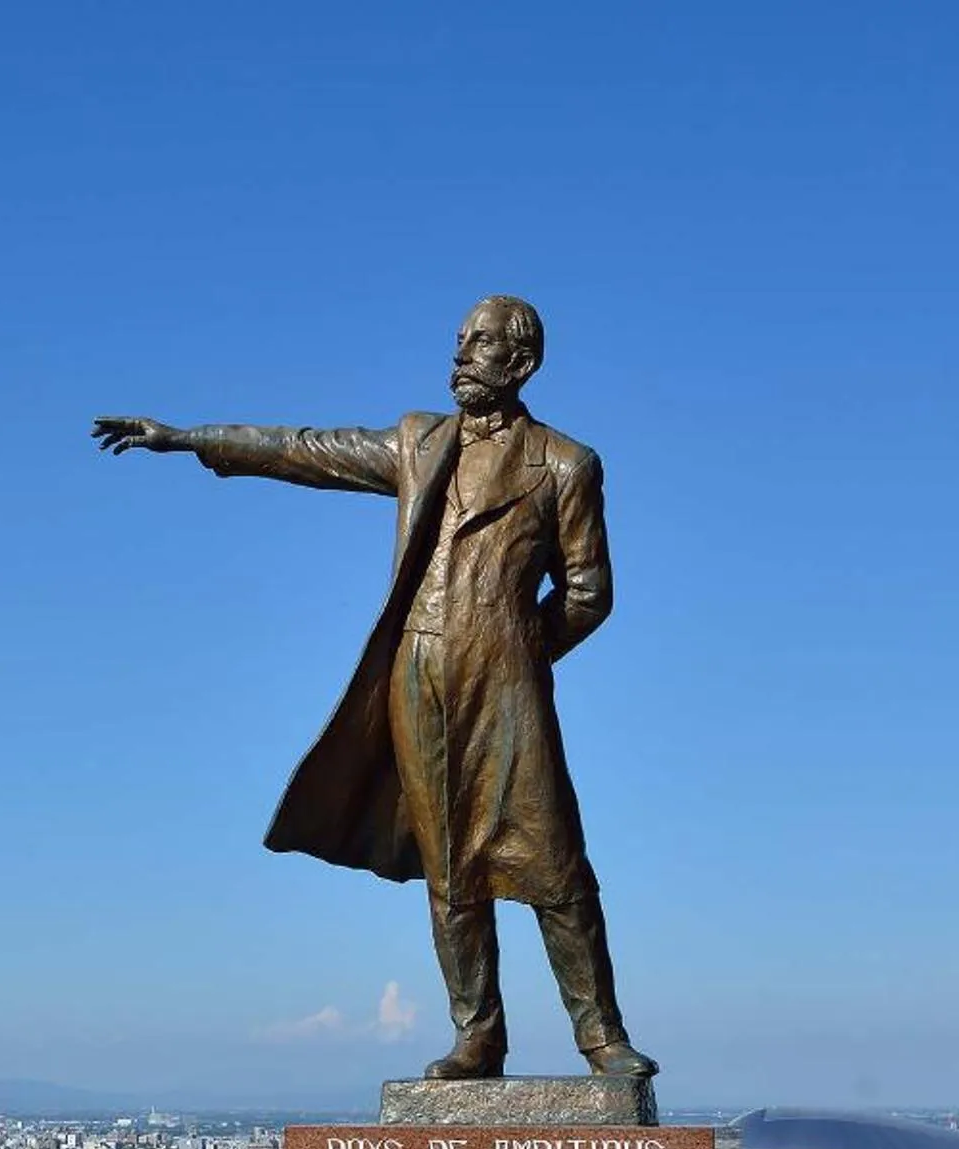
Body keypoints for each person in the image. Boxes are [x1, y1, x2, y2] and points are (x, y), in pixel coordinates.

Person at [94, 297, 655, 1081]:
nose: (461, 355)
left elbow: (589, 592)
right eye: (457, 341)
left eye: (481, 343)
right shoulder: (422, 443)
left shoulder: (566, 464)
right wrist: (189, 438)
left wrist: (520, 651)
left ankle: (600, 1036)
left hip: (507, 688)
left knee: (555, 864)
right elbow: (305, 450)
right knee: (450, 870)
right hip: (418, 680)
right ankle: (477, 1036)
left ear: (521, 363)